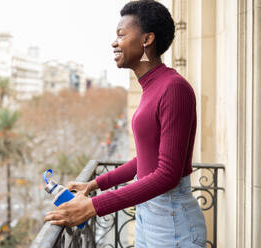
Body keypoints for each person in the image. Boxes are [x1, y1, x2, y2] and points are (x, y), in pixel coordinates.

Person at [44, 1, 207, 247]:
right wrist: (95, 184)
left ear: (147, 39)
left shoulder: (174, 88)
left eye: (121, 35)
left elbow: (168, 174)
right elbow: (145, 159)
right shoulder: (152, 87)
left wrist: (92, 207)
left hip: (171, 220)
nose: (114, 42)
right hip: (149, 214)